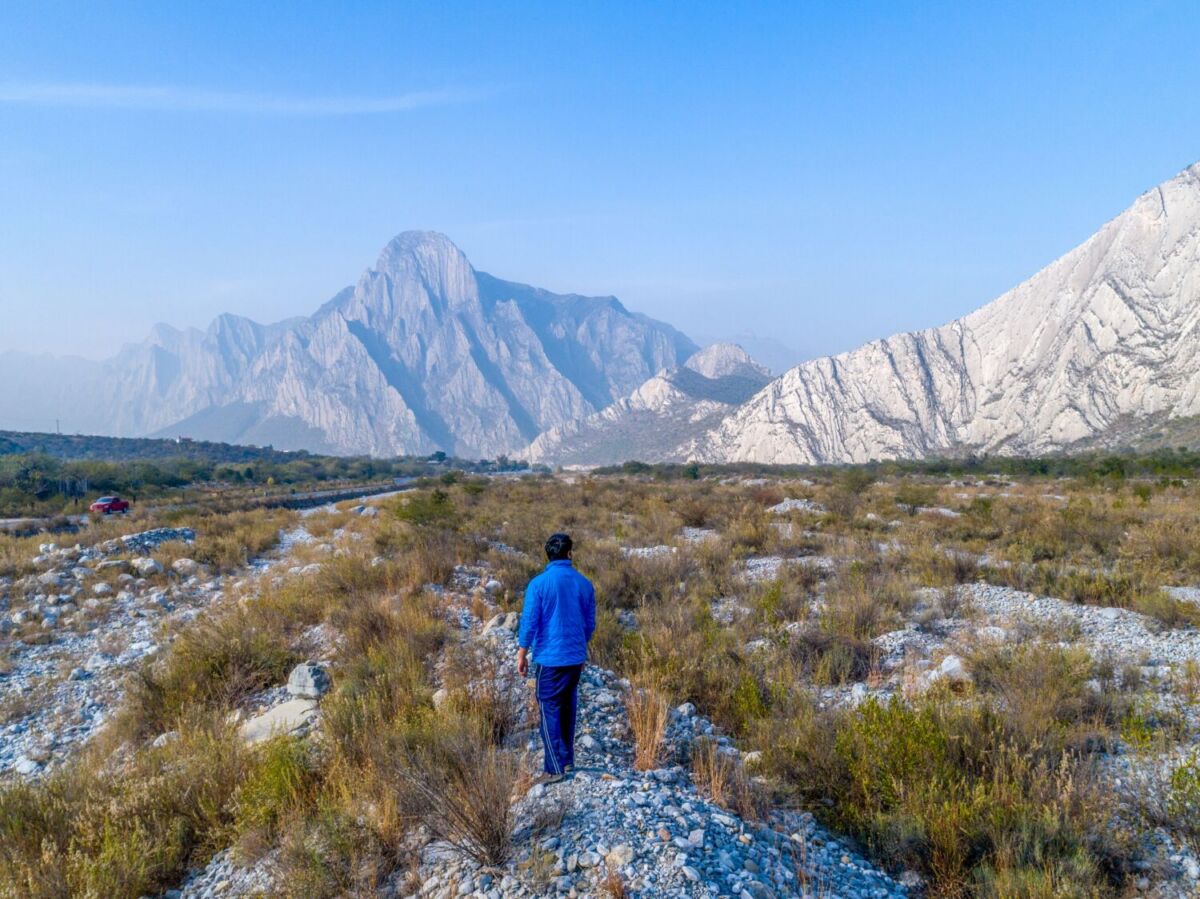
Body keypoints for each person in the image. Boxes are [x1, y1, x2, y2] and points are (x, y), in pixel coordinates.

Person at [517, 532, 596, 784]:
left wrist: (522, 652)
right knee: (568, 705)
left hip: (550, 659)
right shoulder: (584, 583)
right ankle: (567, 758)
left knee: (549, 707)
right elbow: (589, 624)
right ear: (569, 554)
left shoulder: (538, 584)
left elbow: (530, 622)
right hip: (575, 657)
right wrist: (578, 644)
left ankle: (553, 768)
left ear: (548, 555)